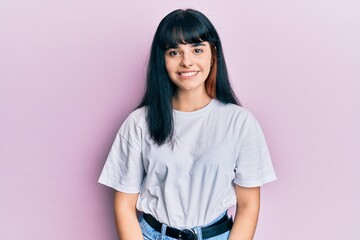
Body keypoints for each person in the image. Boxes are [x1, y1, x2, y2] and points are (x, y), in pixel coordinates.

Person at [99, 8, 277, 240]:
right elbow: (124, 205)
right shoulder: (139, 123)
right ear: (161, 59)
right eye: (174, 52)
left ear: (213, 55)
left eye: (197, 49)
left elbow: (248, 207)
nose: (187, 61)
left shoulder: (240, 123)